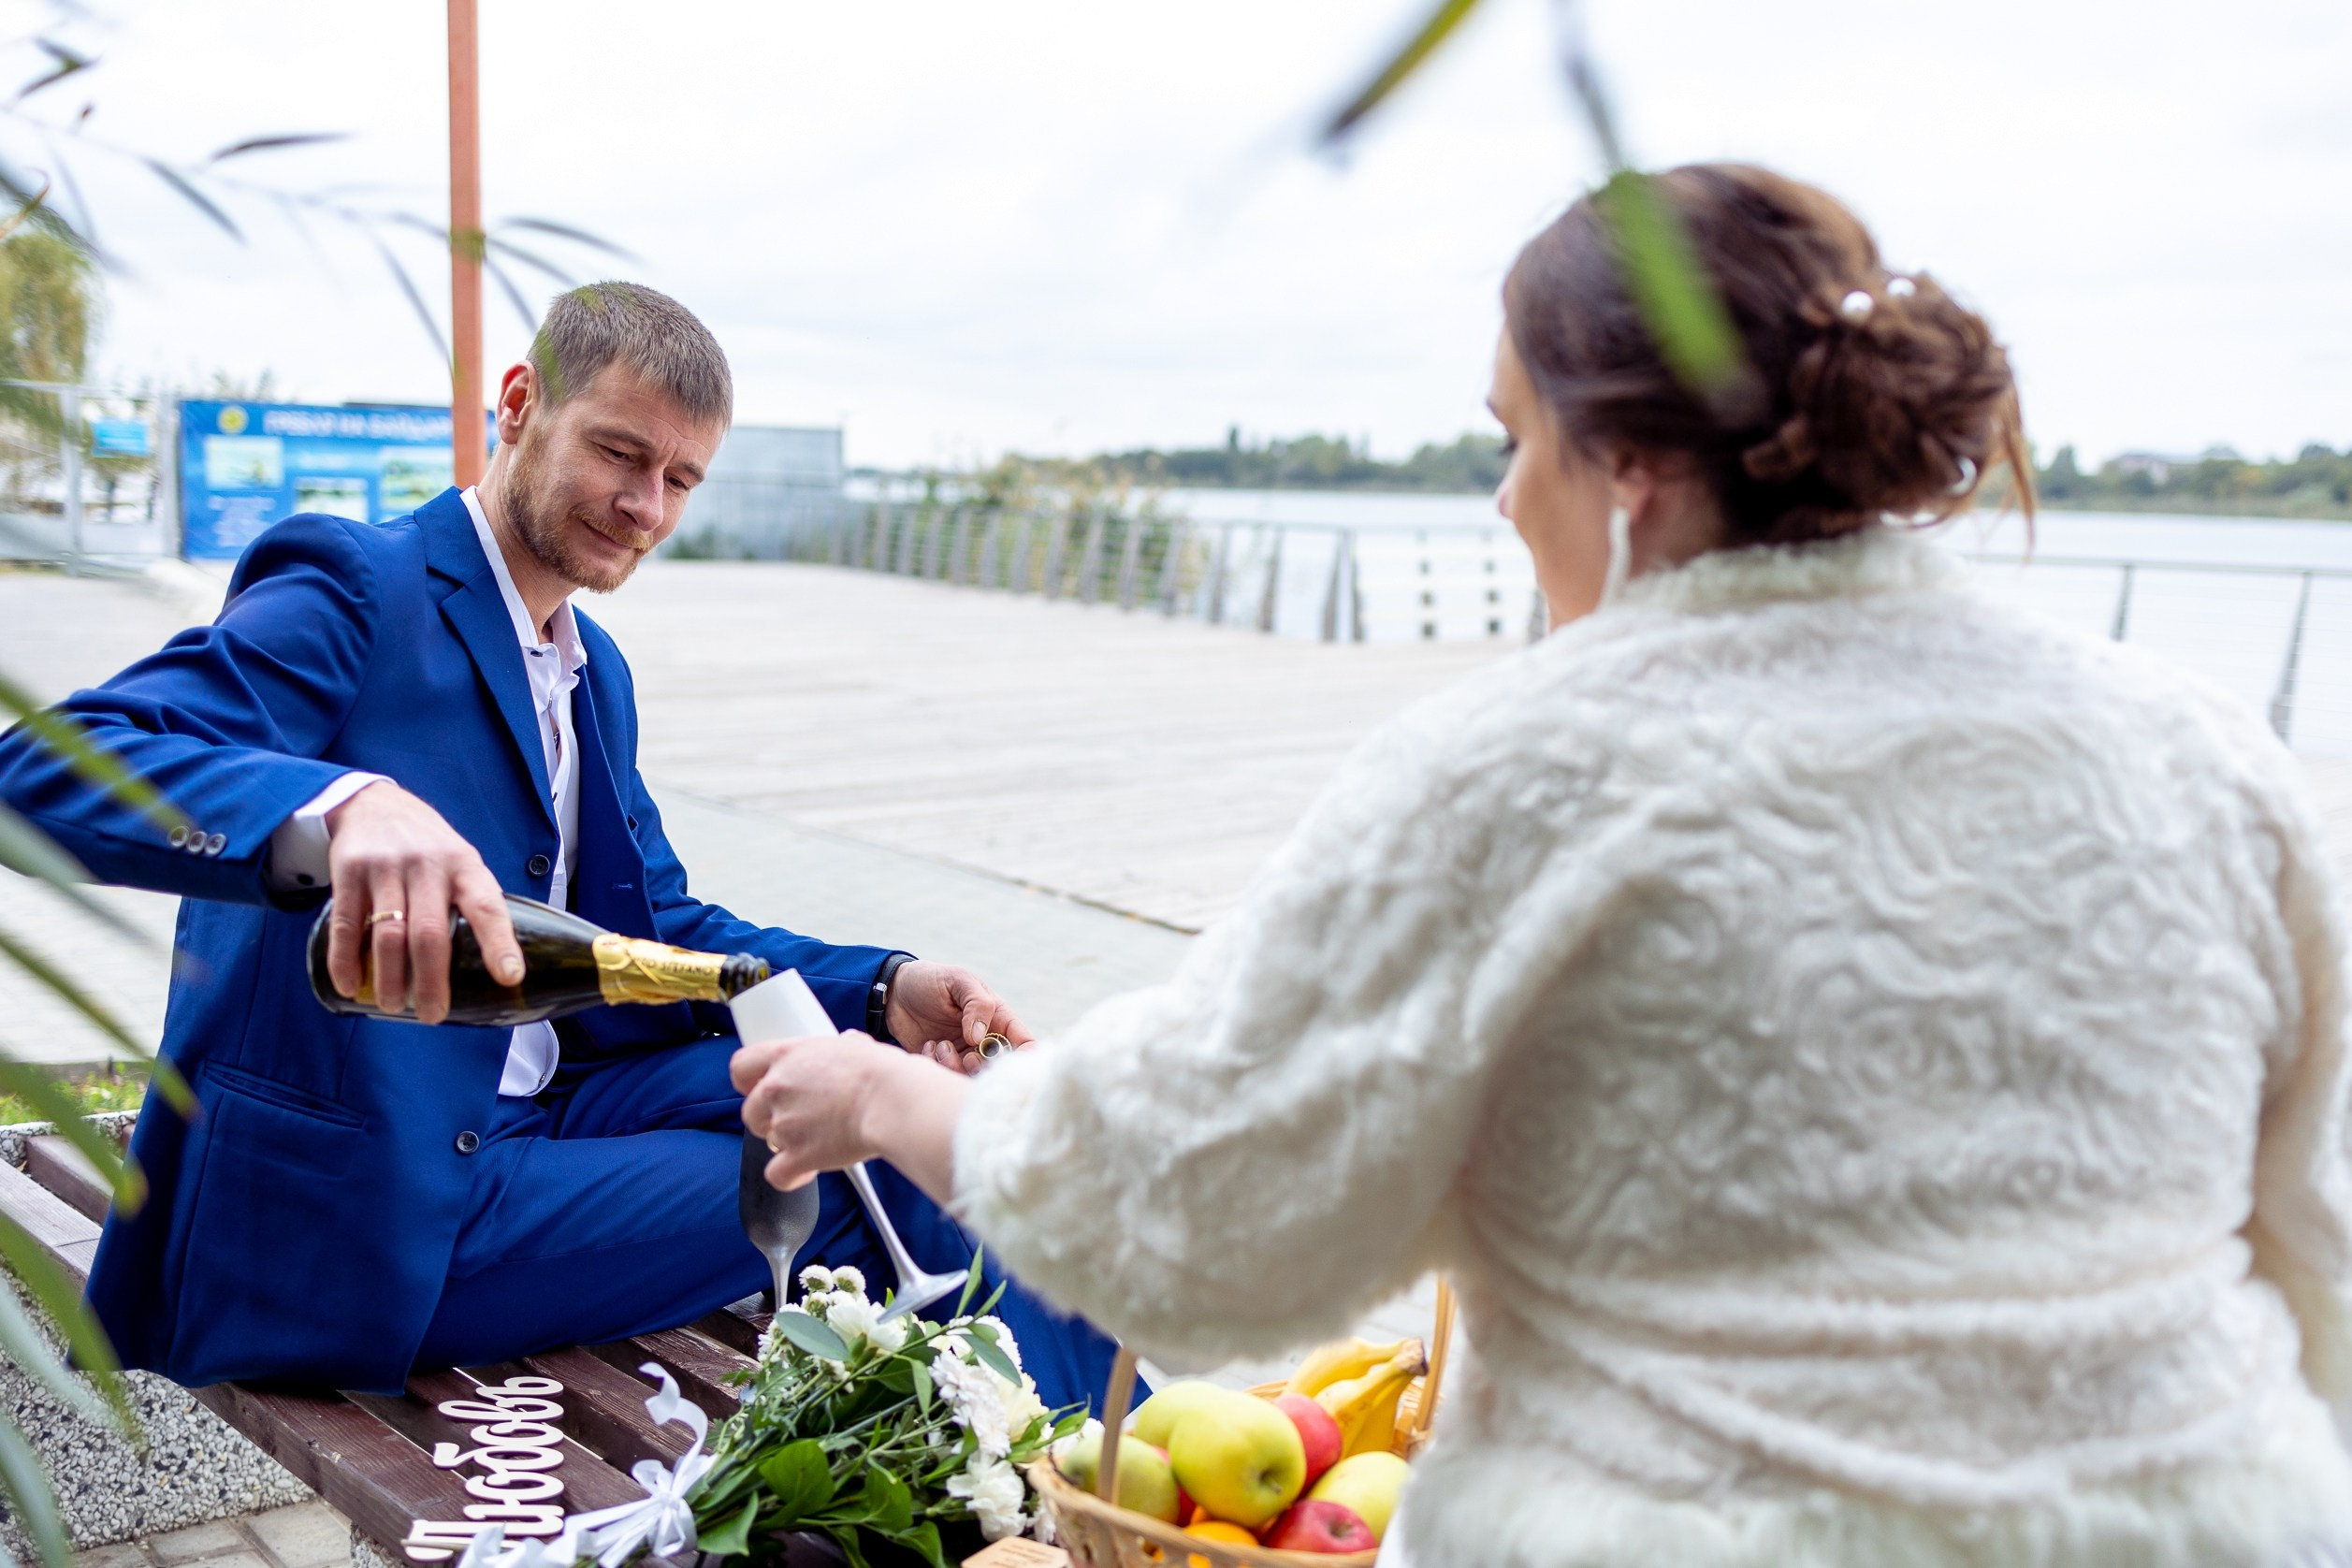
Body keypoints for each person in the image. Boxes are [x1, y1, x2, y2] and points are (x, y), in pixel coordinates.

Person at [734, 166, 2352, 1566]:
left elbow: (1194, 1220)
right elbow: (2304, 1234)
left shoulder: (1519, 771)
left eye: (1512, 439)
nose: (1506, 499)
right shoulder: (2200, 747)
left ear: (1625, 465)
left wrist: (882, 1099)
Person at [0, 283, 1122, 1411]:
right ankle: (1089, 1471)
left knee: (902, 1089)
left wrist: (884, 989)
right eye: (621, 453)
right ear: (521, 404)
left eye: (680, 479)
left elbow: (659, 931)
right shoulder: (361, 584)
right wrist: (339, 802)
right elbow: (50, 768)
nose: (645, 505)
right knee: (876, 1155)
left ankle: (1095, 1460)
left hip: (549, 1117)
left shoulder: (596, 672)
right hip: (373, 1211)